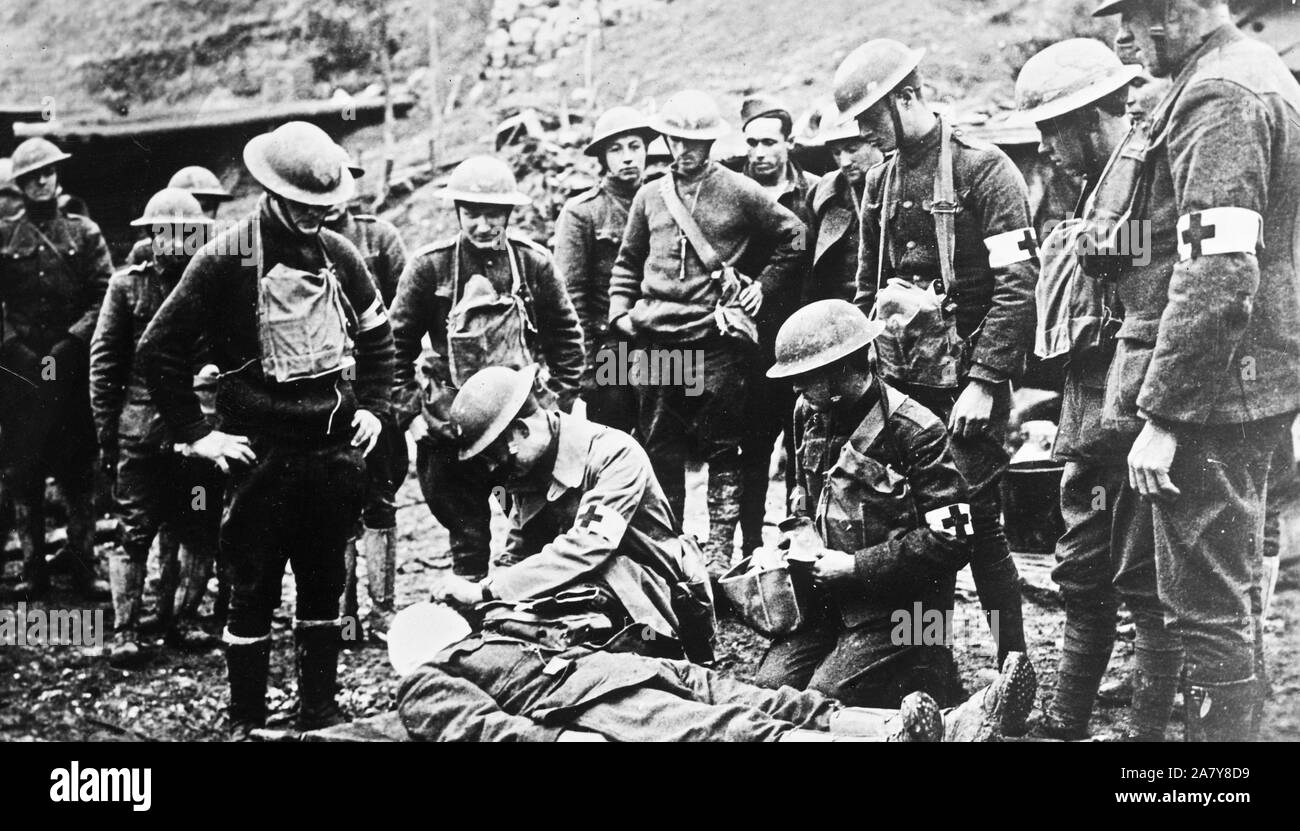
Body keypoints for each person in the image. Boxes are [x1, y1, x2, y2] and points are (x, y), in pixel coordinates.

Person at [138, 121, 395, 739]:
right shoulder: (225, 256)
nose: (314, 218)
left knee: (324, 579)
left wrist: (376, 407)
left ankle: (319, 709)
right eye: (303, 207)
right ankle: (246, 717)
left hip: (333, 450)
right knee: (251, 587)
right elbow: (159, 348)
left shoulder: (341, 254)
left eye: (323, 208)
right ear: (274, 193)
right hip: (260, 455)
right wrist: (198, 433)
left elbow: (380, 337)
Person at [1089, 0, 1300, 741]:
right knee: (1230, 599)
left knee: (1204, 609)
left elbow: (1217, 268)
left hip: (1215, 400)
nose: (1120, 34)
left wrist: (1166, 417)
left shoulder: (1219, 93)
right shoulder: (1250, 73)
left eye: (1136, 15)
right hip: (1246, 385)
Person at [834, 39, 1036, 667]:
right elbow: (866, 290)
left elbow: (1018, 281)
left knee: (978, 530)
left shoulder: (986, 170)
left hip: (966, 386)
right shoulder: (877, 182)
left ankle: (1013, 662)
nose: (869, 137)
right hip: (901, 382)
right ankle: (930, 664)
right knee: (915, 531)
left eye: (873, 121)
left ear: (910, 98)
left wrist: (985, 379)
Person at [1013, 38, 1180, 741]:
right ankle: (1066, 722)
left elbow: (1159, 290)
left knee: (1146, 590)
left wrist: (1158, 416)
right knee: (1081, 575)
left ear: (1092, 116)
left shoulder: (1153, 174)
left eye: (1054, 130)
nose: (1047, 149)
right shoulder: (1098, 180)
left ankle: (1145, 743)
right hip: (1091, 413)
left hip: (1138, 413)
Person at [608, 89, 804, 580]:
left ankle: (718, 549)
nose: (684, 151)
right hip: (655, 342)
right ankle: (671, 548)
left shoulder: (738, 189)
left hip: (711, 341)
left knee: (724, 448)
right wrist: (619, 314)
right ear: (666, 140)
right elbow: (629, 262)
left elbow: (794, 235)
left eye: (695, 141)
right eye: (676, 140)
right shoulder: (650, 195)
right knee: (659, 447)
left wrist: (762, 288)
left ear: (712, 141)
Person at [749, 299, 980, 710]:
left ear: (839, 371)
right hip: (828, 603)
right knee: (768, 692)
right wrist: (793, 545)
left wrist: (856, 566)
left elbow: (953, 542)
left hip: (900, 611)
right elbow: (805, 499)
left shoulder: (916, 431)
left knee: (823, 702)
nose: (795, 388)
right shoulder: (810, 412)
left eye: (804, 377)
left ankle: (928, 673)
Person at [389, 601, 1037, 742]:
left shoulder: (489, 638)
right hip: (592, 708)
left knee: (776, 699)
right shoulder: (423, 676)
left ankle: (948, 726)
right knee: (731, 729)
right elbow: (475, 728)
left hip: (626, 670)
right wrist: (560, 742)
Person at [431, 364, 715, 662]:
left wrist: (488, 592)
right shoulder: (527, 472)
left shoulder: (613, 454)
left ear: (522, 431)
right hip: (585, 590)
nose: (495, 469)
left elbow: (589, 546)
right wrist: (487, 605)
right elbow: (517, 553)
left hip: (651, 598)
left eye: (495, 456)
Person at [389, 156, 584, 582]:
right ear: (457, 212)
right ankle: (470, 603)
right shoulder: (429, 266)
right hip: (453, 416)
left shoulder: (533, 264)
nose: (482, 225)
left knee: (537, 521)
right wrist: (409, 415)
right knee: (466, 527)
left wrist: (557, 405)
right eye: (472, 213)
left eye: (493, 214)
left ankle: (525, 604)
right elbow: (394, 347)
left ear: (509, 214)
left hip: (521, 416)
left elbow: (566, 336)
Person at [91, 188, 224, 665]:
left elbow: (227, 353)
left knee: (198, 528)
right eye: (165, 232)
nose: (175, 242)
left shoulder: (212, 287)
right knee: (134, 530)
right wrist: (107, 434)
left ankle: (184, 618)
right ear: (150, 235)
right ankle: (127, 628)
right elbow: (104, 365)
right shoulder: (126, 287)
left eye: (186, 233)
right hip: (141, 432)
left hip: (198, 435)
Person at [0, 137, 113, 601]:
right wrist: (12, 348)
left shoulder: (84, 233)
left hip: (70, 370)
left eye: (47, 173)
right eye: (31, 177)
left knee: (77, 471)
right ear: (21, 185)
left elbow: (105, 292)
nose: (41, 182)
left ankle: (84, 567)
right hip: (22, 371)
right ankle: (31, 571)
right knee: (23, 472)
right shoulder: (5, 235)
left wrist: (73, 342)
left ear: (57, 176)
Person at [325, 154, 410, 641]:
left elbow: (403, 320)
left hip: (375, 389)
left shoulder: (379, 239)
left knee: (380, 498)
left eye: (342, 182)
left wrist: (395, 394)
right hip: (323, 394)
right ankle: (342, 612)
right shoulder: (293, 247)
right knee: (334, 504)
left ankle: (381, 611)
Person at [737, 96, 819, 560]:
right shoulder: (735, 192)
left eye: (770, 142)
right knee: (752, 449)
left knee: (802, 447)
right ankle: (750, 545)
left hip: (803, 339)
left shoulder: (811, 194)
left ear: (789, 144)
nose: (760, 152)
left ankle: (796, 548)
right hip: (753, 345)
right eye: (751, 142)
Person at [554, 106, 656, 435]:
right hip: (609, 350)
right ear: (602, 158)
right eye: (616, 149)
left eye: (635, 147)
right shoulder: (582, 213)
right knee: (616, 444)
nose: (627, 158)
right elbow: (569, 301)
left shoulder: (666, 201)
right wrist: (582, 373)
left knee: (665, 449)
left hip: (663, 344)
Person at [804, 104, 883, 305]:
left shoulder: (896, 183)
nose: (844, 161)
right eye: (836, 152)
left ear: (874, 142)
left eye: (852, 149)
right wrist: (795, 246)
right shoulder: (822, 191)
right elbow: (800, 237)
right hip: (838, 304)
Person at [126, 166, 233, 266]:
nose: (197, 214)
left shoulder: (226, 244)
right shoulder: (144, 251)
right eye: (188, 206)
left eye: (206, 207)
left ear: (216, 208)